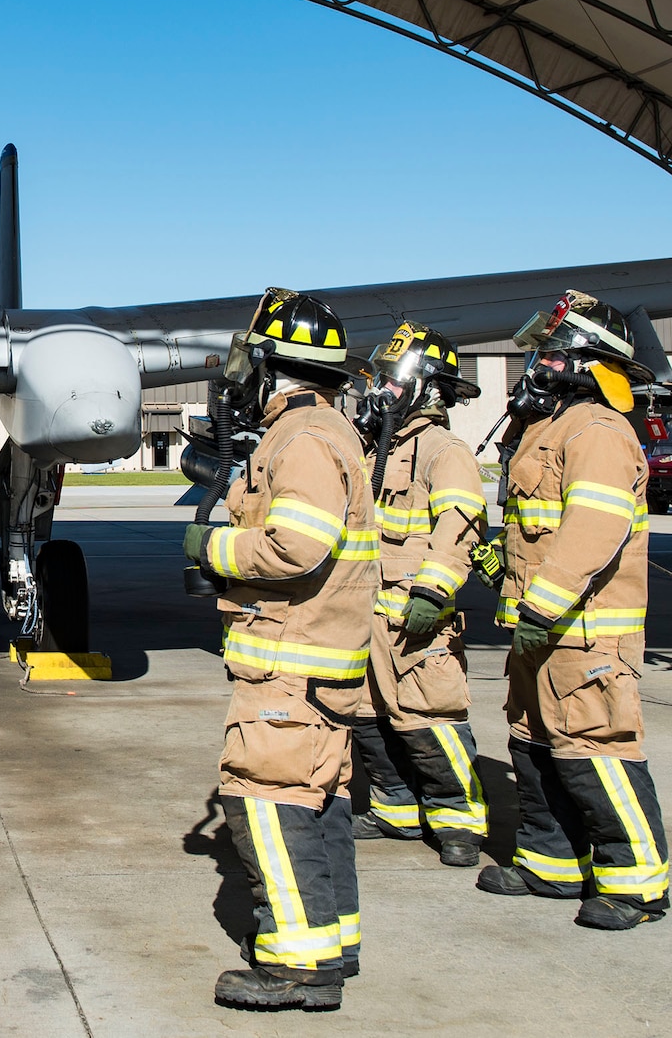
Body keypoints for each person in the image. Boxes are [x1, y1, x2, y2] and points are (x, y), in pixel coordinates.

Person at [181, 289, 376, 1012]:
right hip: (317, 656)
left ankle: (299, 966)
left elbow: (296, 542)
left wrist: (215, 546)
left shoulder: (300, 440)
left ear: (275, 367)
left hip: (290, 661)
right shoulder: (325, 430)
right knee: (319, 801)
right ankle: (333, 941)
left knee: (263, 797)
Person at [476, 291, 672, 931]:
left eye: (552, 351)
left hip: (583, 632)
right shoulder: (550, 427)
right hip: (540, 630)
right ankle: (550, 864)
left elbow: (593, 528)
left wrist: (543, 603)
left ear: (585, 360)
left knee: (595, 751)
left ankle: (636, 886)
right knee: (534, 746)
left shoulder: (598, 430)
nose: (538, 362)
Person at [349, 322, 489, 868]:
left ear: (426, 388)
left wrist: (433, 592)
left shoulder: (442, 449)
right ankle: (396, 808)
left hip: (413, 616)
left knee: (429, 718)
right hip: (364, 615)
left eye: (391, 379)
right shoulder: (372, 449)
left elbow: (462, 524)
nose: (379, 391)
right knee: (366, 715)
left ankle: (459, 821)